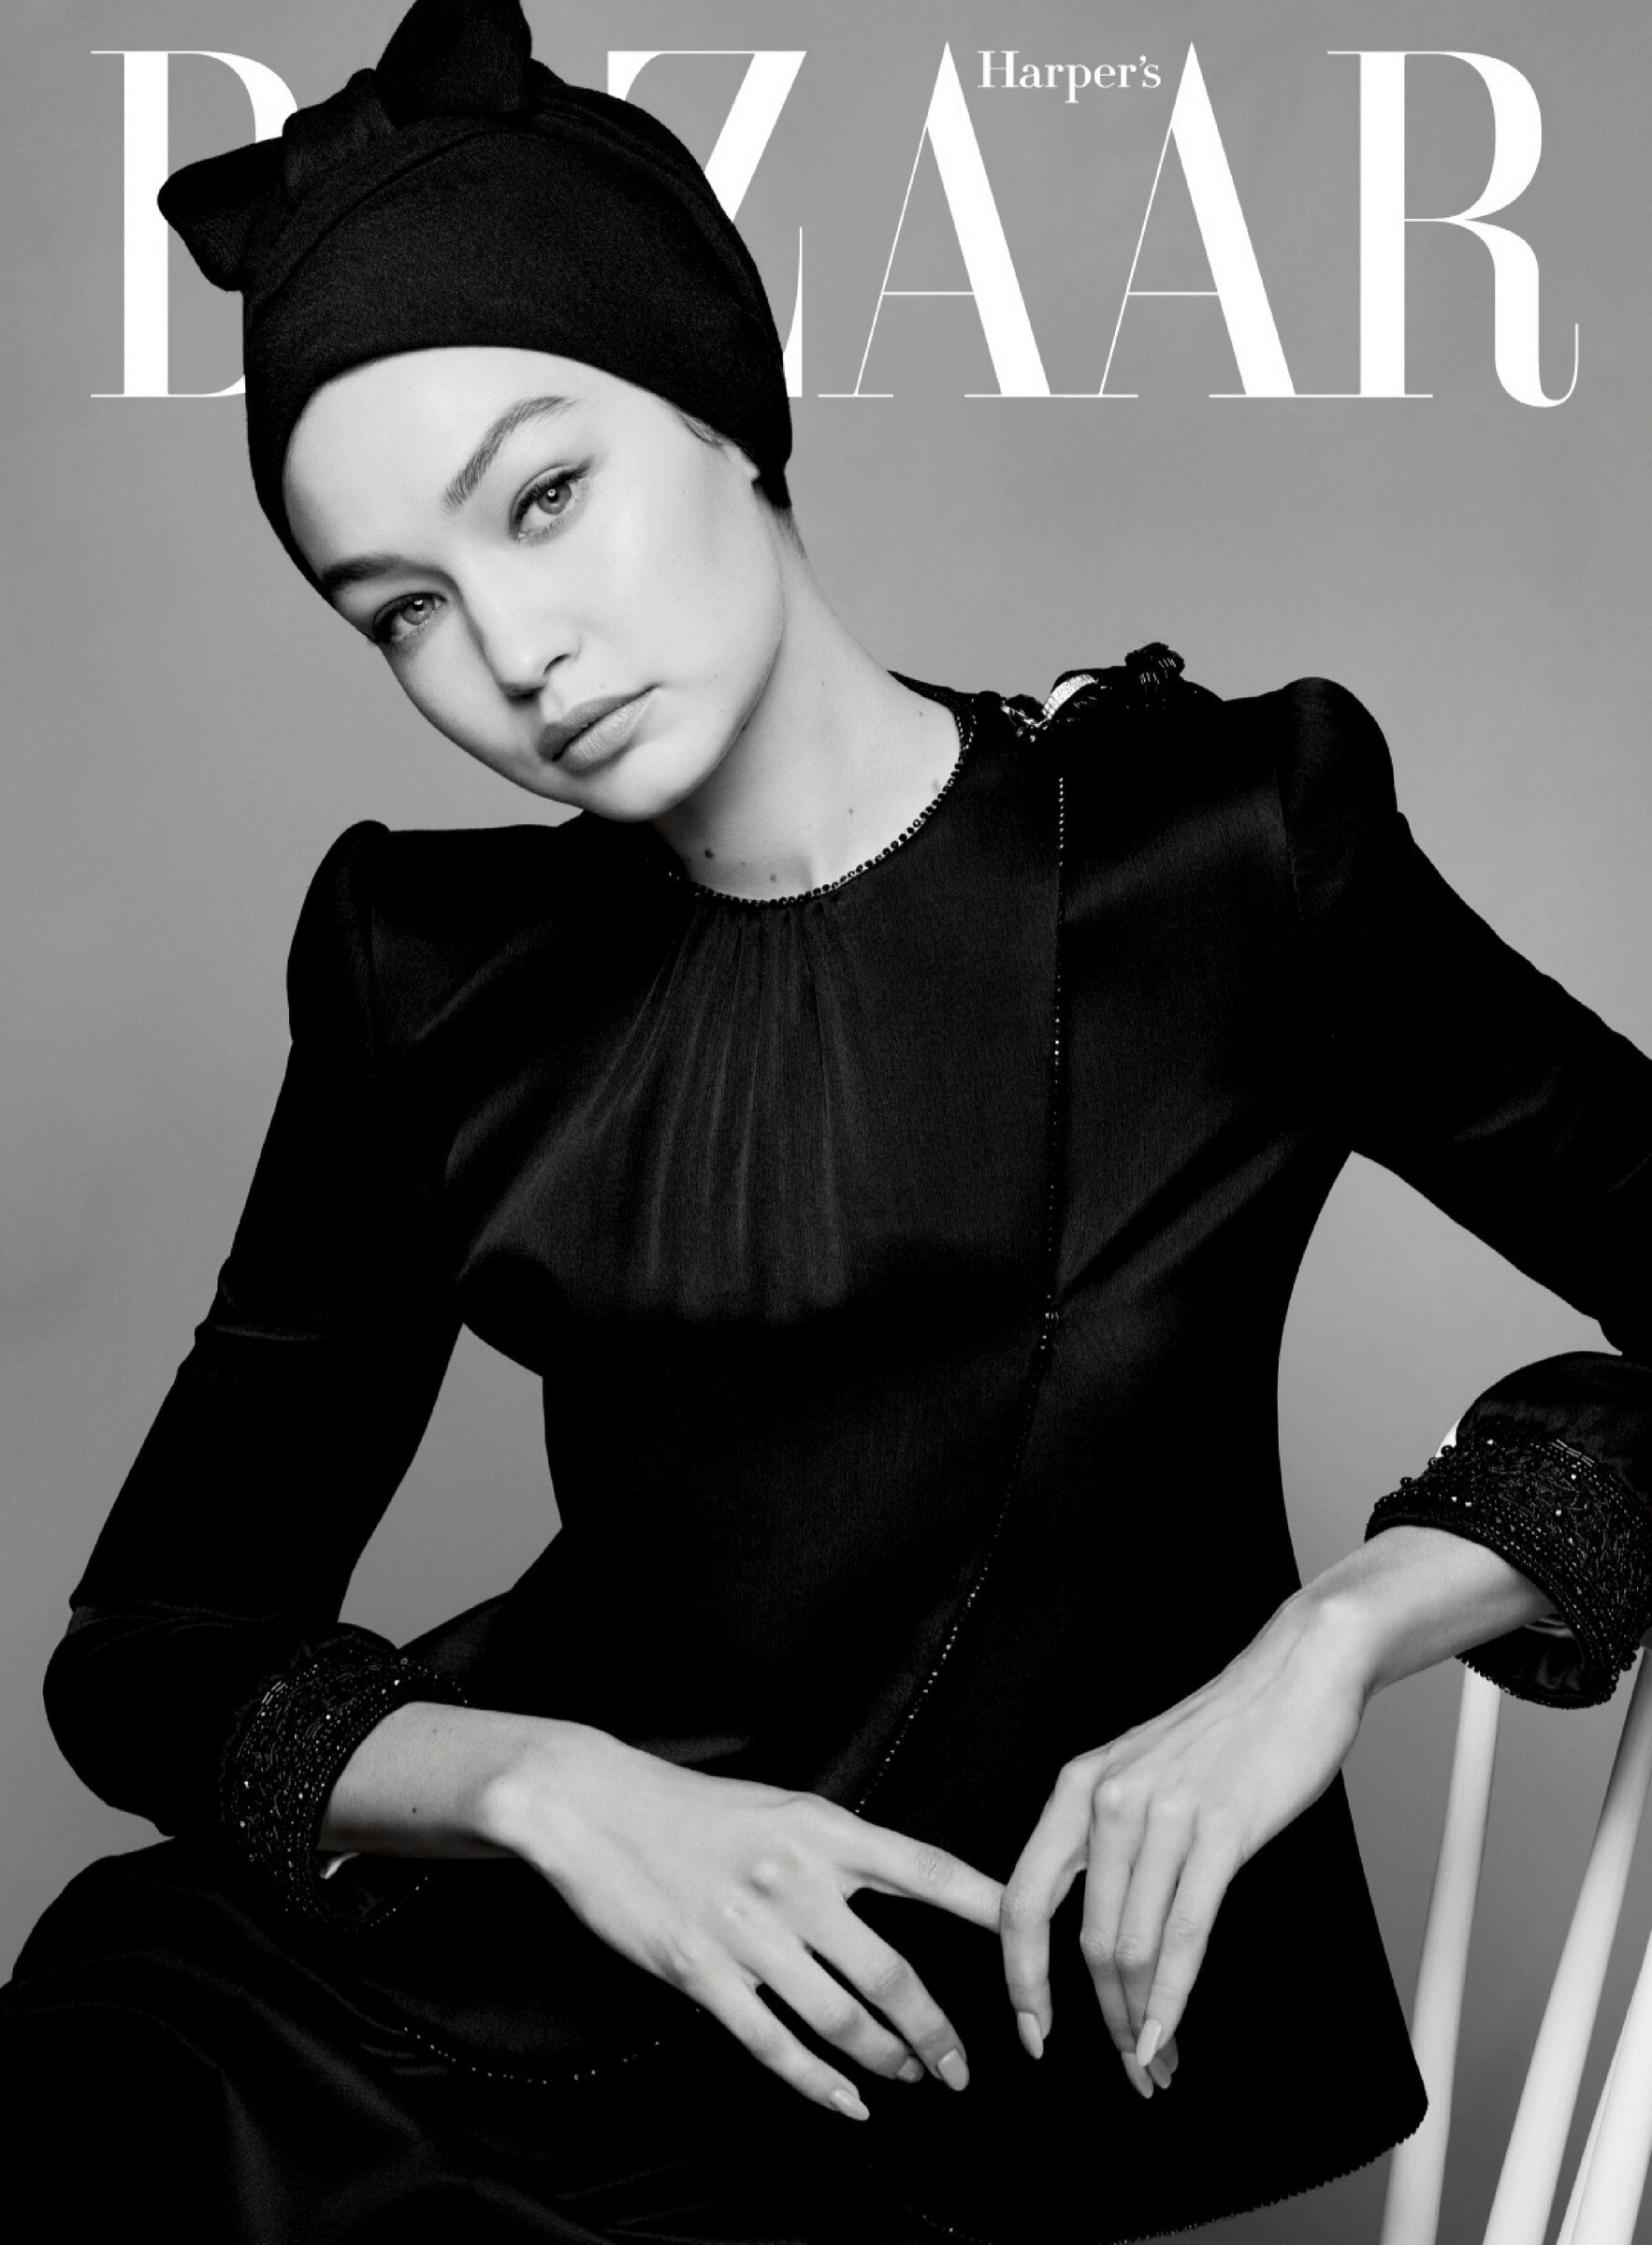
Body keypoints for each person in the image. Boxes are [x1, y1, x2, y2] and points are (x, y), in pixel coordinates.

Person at [6, 2, 1652, 2240]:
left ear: (724, 412)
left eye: (545, 496)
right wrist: (554, 1794)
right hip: (424, 2042)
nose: (514, 650)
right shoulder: (424, 969)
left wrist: (1339, 1633)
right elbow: (154, 1648)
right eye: (403, 611)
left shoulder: (1217, 857)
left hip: (960, 2089)